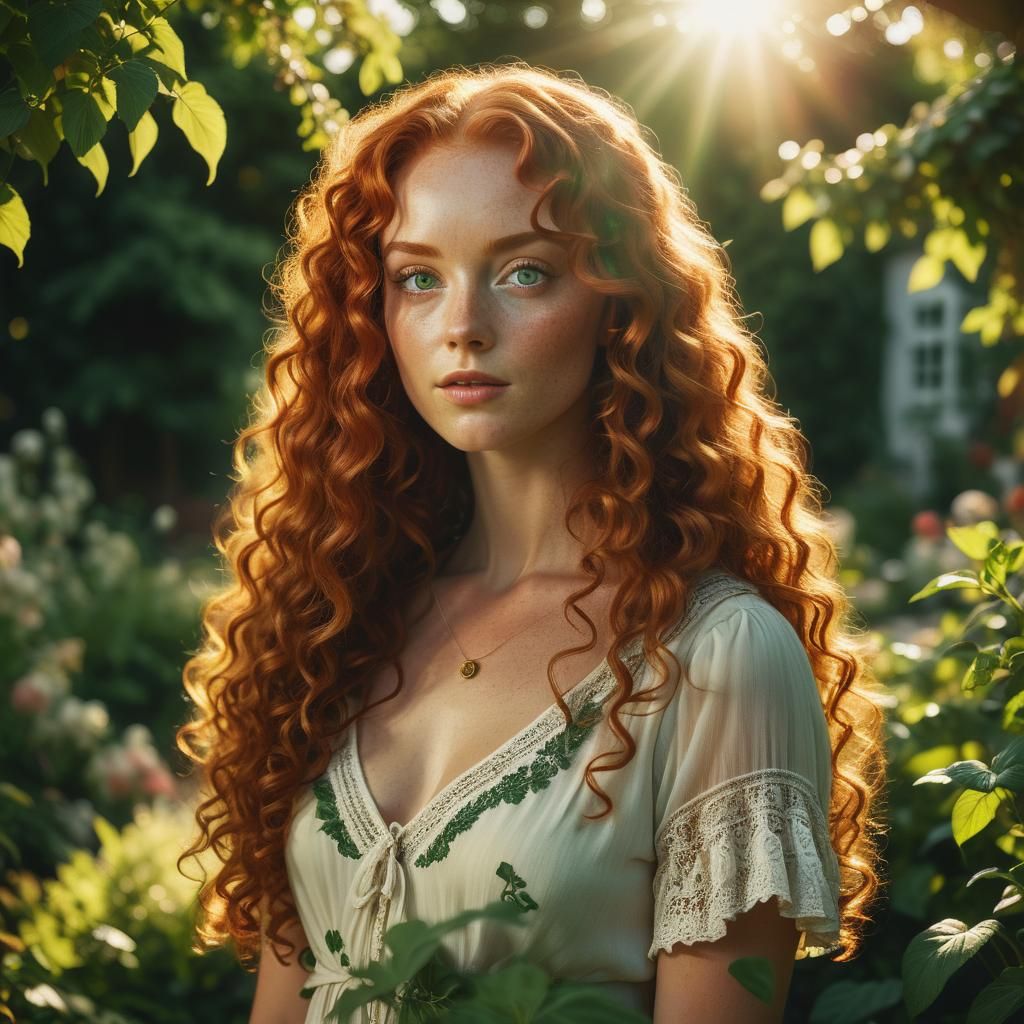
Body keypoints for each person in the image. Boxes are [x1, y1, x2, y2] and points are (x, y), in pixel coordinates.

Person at [176, 63, 887, 1024]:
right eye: (417, 278)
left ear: (622, 302)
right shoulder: (340, 617)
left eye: (524, 272)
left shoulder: (717, 659)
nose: (463, 327)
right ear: (372, 313)